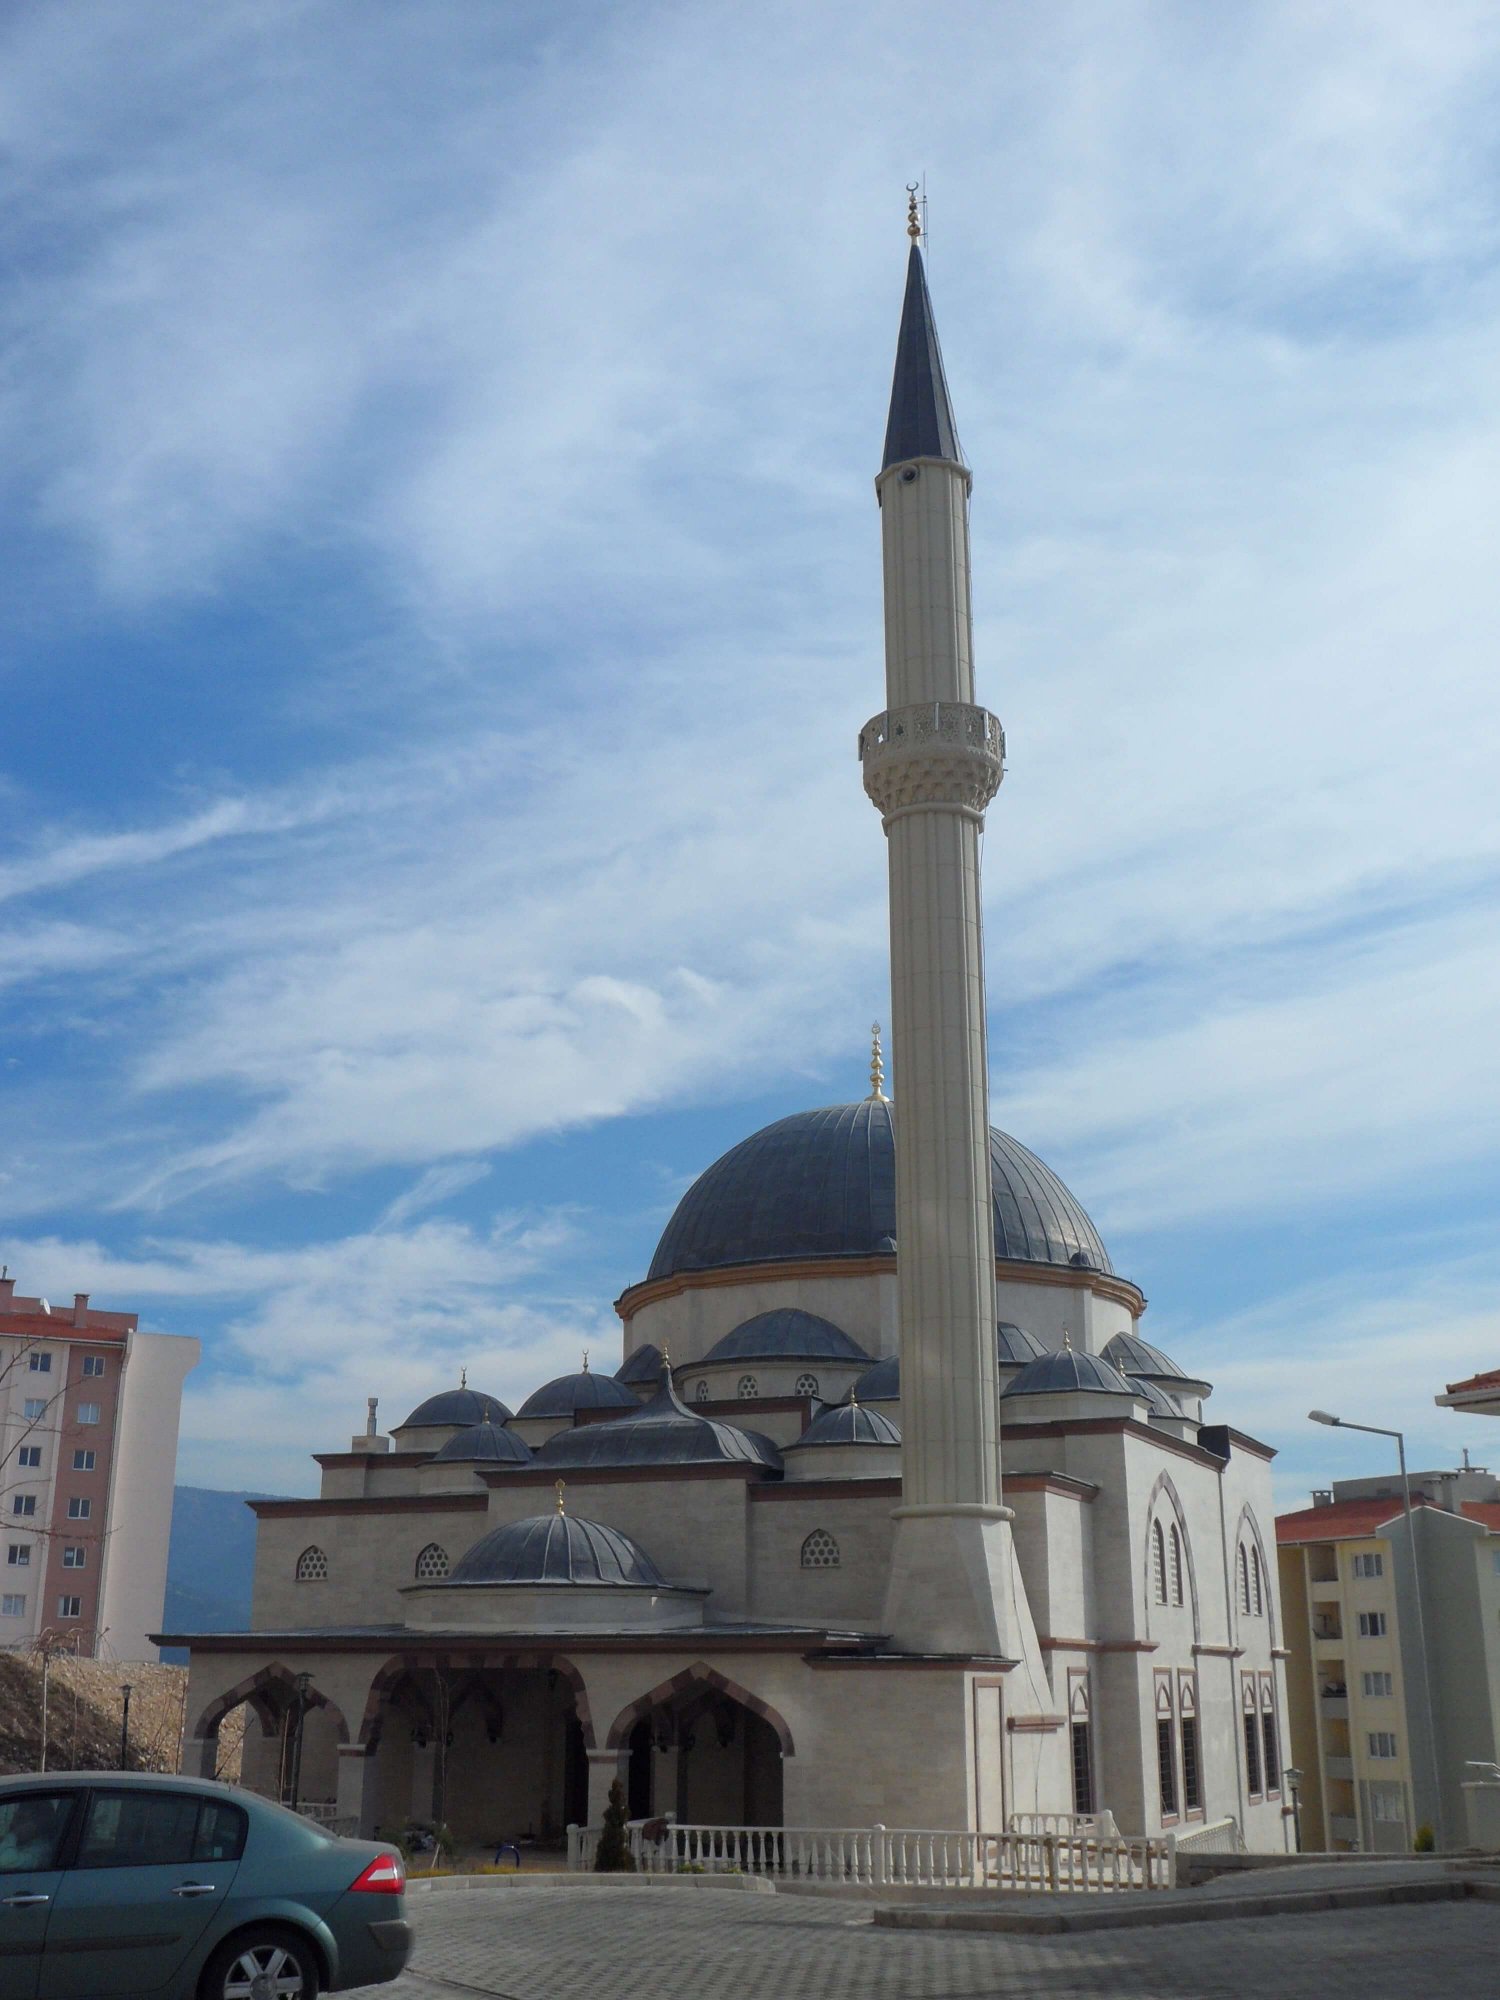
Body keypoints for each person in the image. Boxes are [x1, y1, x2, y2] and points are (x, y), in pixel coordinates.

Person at [0, 1799, 62, 1873]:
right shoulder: (21, 1844)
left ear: (36, 1824)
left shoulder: (39, 1852)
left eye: (21, 1818)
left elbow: (2, 1861)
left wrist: (14, 1834)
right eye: (15, 1816)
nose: (13, 1822)